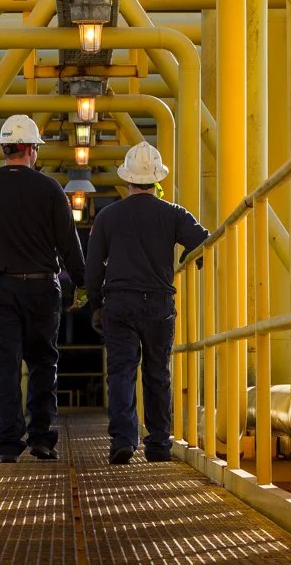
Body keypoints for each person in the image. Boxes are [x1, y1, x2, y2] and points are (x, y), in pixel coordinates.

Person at [0, 114, 87, 463]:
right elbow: (68, 243)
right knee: (44, 362)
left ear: (4, 148)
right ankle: (42, 438)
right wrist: (81, 282)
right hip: (42, 289)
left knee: (5, 366)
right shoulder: (49, 190)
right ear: (31, 149)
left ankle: (7, 445)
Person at [85, 142, 210, 465]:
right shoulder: (173, 214)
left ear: (127, 180)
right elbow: (202, 240)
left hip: (119, 302)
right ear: (156, 181)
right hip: (158, 303)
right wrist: (186, 257)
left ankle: (124, 440)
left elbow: (94, 266)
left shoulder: (108, 217)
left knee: (122, 372)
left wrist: (96, 304)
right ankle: (157, 444)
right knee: (158, 373)